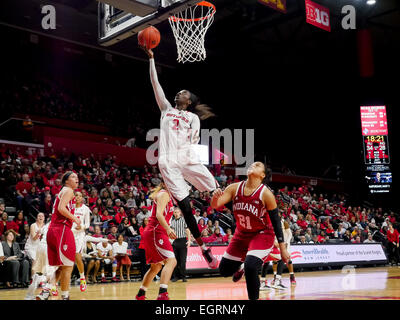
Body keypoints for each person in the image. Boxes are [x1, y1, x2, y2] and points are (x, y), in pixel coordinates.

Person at [141, 46, 218, 269]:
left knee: (217, 190)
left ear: (189, 101)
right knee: (185, 208)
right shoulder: (166, 109)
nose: (179, 93)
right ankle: (204, 249)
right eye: (179, 92)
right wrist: (152, 59)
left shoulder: (193, 117)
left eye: (183, 93)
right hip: (168, 161)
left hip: (186, 156)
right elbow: (156, 85)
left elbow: (193, 140)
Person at [211, 162, 290, 300]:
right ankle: (240, 266)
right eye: (252, 164)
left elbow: (276, 222)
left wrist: (283, 249)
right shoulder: (234, 188)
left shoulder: (266, 194)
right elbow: (215, 204)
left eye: (257, 165)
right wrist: (215, 197)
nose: (253, 165)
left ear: (262, 175)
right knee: (224, 270)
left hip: (262, 234)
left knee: (251, 266)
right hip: (241, 233)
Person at [135, 183, 177, 300]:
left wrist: (168, 227)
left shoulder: (166, 195)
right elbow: (159, 215)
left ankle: (140, 295)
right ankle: (162, 294)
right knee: (171, 261)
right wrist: (168, 229)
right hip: (156, 232)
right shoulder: (164, 194)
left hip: (154, 232)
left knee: (156, 267)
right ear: (165, 183)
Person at [46, 171, 81, 300]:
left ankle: (46, 290)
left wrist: (72, 220)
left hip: (56, 230)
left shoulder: (65, 191)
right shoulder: (68, 190)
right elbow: (61, 208)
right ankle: (65, 296)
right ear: (66, 181)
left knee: (62, 267)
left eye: (77, 177)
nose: (76, 178)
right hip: (60, 230)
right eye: (73, 177)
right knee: (68, 266)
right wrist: (76, 219)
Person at [260, 218, 296, 291]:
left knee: (266, 262)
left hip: (276, 244)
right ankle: (277, 281)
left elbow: (289, 234)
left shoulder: (282, 222)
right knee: (280, 259)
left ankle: (262, 283)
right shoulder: (269, 222)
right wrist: (274, 242)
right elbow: (268, 234)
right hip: (272, 245)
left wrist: (285, 243)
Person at [72, 191, 91, 292]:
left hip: (79, 235)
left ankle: (82, 278)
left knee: (78, 257)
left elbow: (87, 224)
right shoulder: (69, 208)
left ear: (82, 198)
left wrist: (82, 226)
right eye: (76, 195)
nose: (78, 197)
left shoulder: (85, 209)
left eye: (80, 196)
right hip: (69, 234)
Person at [170, 207, 191, 282]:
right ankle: (176, 276)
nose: (176, 213)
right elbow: (171, 231)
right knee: (175, 260)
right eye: (174, 212)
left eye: (177, 212)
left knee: (183, 260)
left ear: (180, 213)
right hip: (175, 241)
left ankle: (183, 276)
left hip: (182, 241)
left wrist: (189, 241)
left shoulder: (183, 220)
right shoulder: (172, 221)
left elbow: (187, 230)